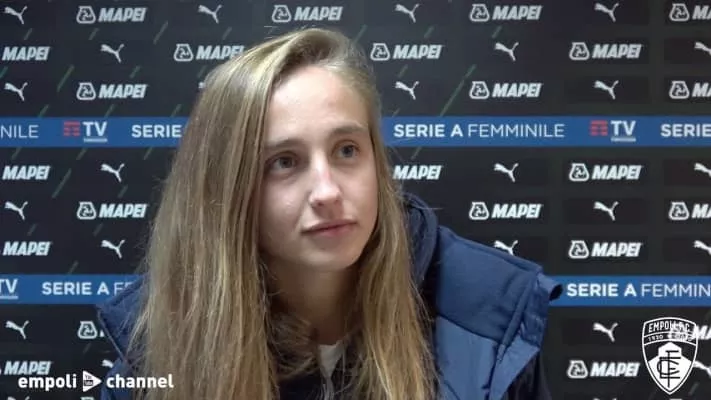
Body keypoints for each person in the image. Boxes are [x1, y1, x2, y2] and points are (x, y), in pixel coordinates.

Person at [96, 27, 562, 400]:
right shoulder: (162, 338)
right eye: (284, 162)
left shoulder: (490, 314)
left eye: (346, 150)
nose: (327, 191)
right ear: (229, 191)